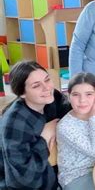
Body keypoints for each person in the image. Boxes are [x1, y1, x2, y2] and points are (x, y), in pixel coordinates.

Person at [0, 61, 71, 189]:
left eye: (47, 79)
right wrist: (43, 138)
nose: (47, 88)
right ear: (22, 93)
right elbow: (24, 178)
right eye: (36, 86)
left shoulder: (52, 96)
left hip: (53, 174)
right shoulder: (14, 123)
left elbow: (70, 111)